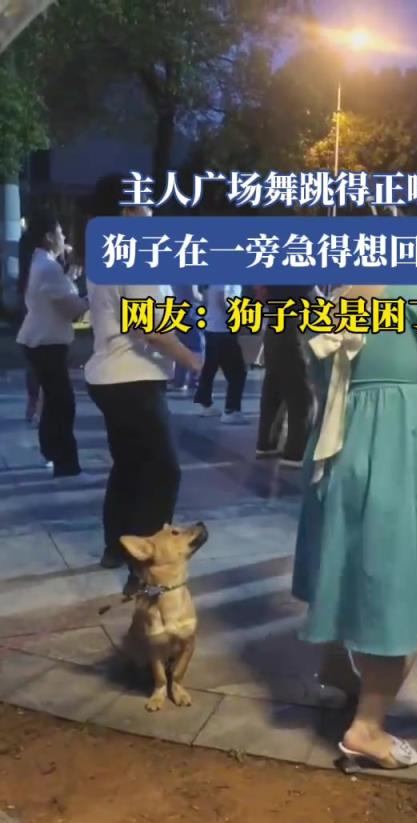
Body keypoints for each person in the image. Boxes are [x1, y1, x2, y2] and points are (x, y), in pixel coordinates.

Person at [292, 282, 417, 770]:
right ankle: (367, 727)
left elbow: (318, 375)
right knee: (398, 572)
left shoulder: (333, 295)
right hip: (404, 436)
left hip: (341, 435)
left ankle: (338, 668)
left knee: (346, 556)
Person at [84, 176, 202, 588]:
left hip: (109, 376)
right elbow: (150, 326)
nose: (152, 213)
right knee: (164, 470)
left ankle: (116, 546)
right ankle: (147, 561)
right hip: (132, 376)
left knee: (130, 464)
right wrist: (191, 358)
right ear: (128, 212)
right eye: (145, 204)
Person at [16, 209, 88, 477]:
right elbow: (72, 309)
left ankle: (52, 453)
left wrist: (69, 278)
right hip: (46, 344)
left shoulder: (42, 263)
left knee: (53, 402)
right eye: (60, 233)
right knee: (62, 404)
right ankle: (66, 464)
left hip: (39, 341)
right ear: (48, 237)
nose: (64, 238)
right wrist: (91, 297)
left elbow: (58, 297)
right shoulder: (48, 267)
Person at [256, 284, 317, 468]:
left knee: (273, 389)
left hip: (275, 325)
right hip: (292, 330)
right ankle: (296, 452)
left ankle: (266, 443)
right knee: (300, 394)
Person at [193, 284, 246, 422]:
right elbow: (222, 299)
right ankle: (231, 410)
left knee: (209, 369)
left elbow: (205, 299)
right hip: (224, 330)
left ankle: (206, 404)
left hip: (212, 328)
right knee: (237, 372)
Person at [169, 283, 205, 392]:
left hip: (177, 310)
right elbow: (193, 295)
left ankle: (180, 380)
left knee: (181, 345)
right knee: (196, 346)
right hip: (190, 311)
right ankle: (195, 379)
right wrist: (205, 298)